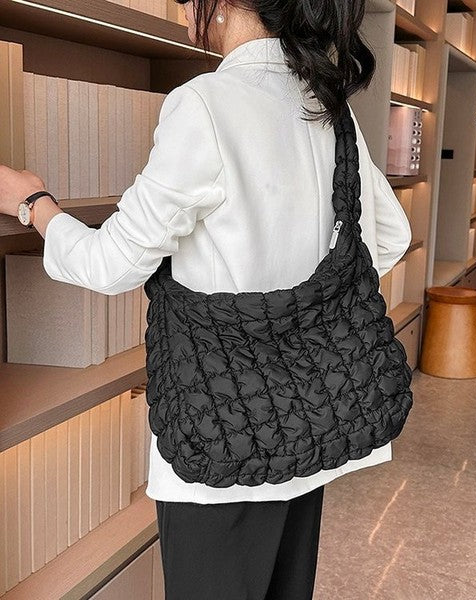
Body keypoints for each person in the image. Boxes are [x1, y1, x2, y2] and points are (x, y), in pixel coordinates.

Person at [0, 0, 412, 598]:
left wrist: (33, 204)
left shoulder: (205, 104)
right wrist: (303, 317)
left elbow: (110, 263)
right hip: (313, 429)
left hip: (219, 436)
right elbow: (390, 236)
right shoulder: (328, 105)